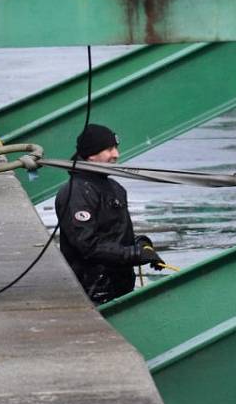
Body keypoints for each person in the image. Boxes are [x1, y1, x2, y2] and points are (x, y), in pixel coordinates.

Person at [55, 124, 164, 304]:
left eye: (116, 148)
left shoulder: (115, 188)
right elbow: (88, 247)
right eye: (109, 149)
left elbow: (114, 236)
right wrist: (134, 254)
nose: (116, 155)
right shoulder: (76, 193)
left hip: (120, 288)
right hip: (93, 292)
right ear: (91, 154)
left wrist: (141, 245)